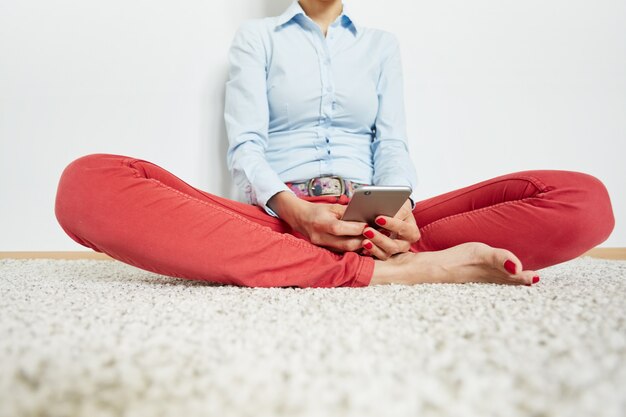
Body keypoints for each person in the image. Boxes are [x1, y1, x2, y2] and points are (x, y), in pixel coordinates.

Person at [54, 0, 615, 288]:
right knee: (88, 183)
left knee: (584, 199)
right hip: (277, 221)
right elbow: (246, 147)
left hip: (373, 221)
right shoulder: (256, 38)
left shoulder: (380, 46)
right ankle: (408, 273)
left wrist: (400, 213)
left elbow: (392, 141)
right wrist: (296, 213)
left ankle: (352, 263)